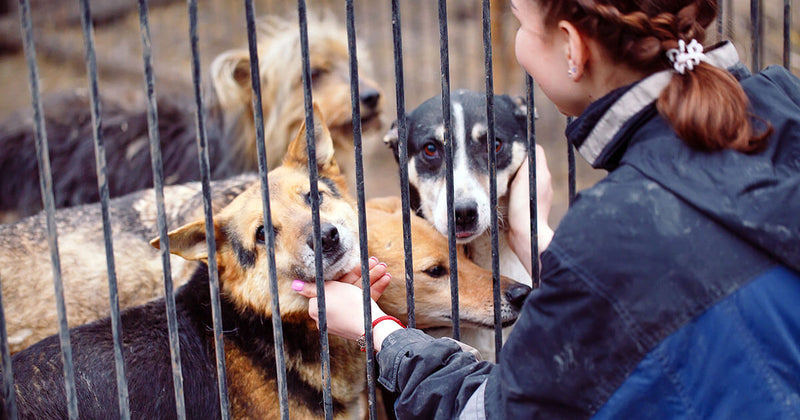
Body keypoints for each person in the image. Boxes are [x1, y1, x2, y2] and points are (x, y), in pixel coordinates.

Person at [295, 0, 800, 417]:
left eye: (518, 23)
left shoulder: (611, 229)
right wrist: (531, 232)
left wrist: (376, 330)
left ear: (573, 50)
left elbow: (494, 412)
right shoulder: (783, 103)